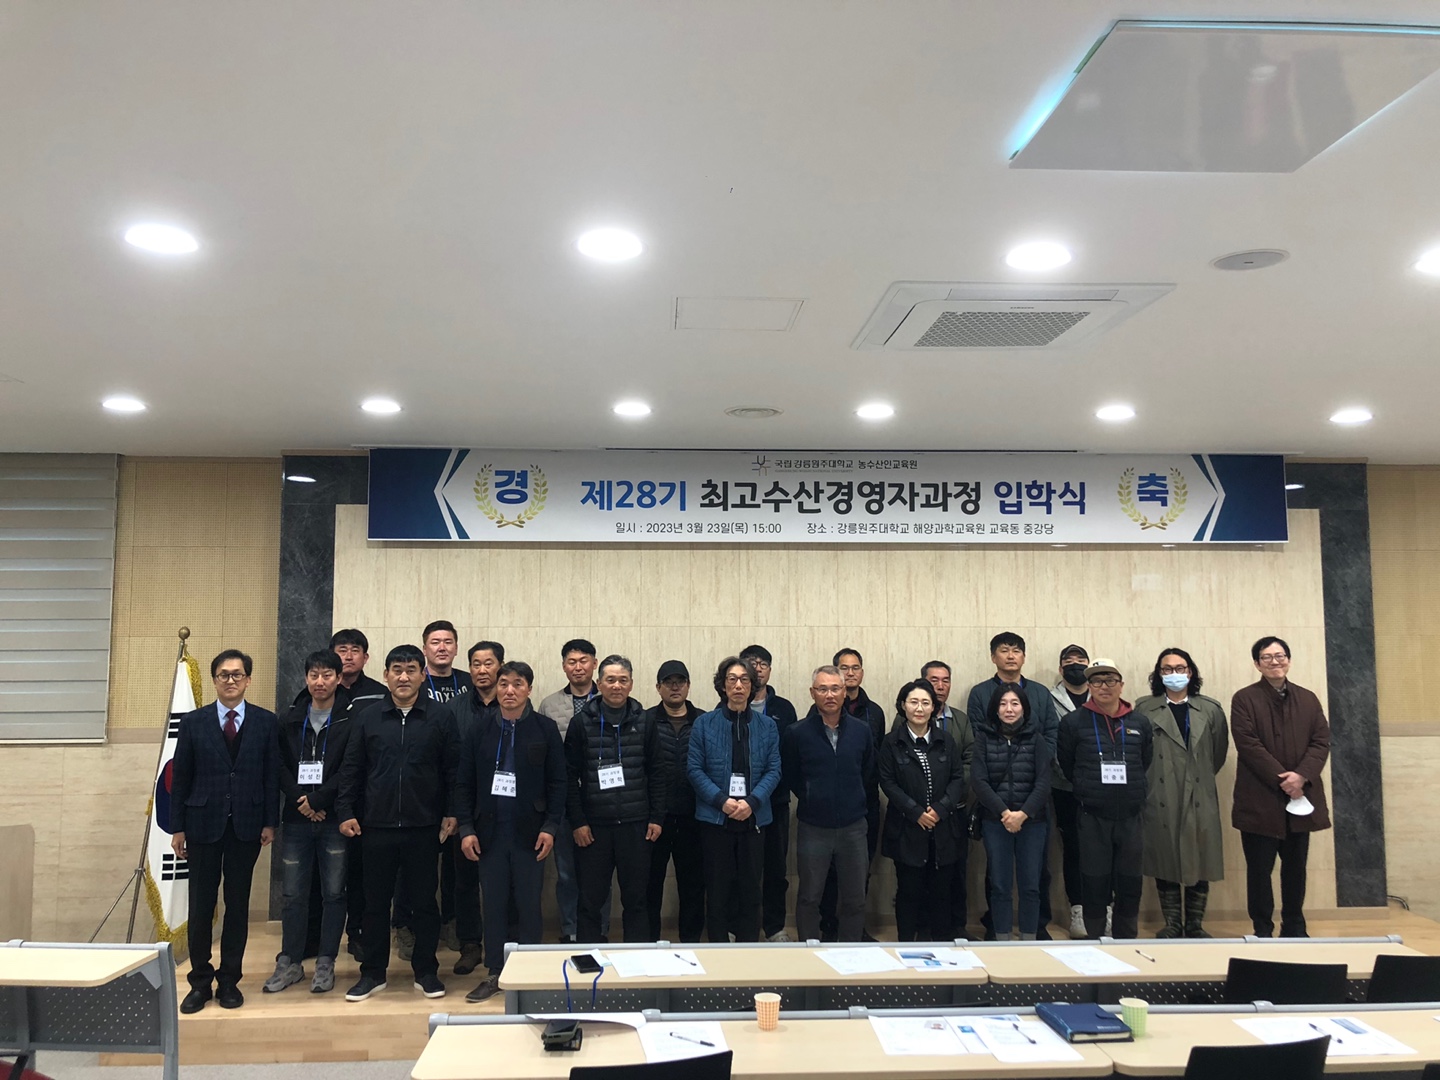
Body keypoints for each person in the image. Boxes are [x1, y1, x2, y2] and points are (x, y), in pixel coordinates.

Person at [336, 644, 459, 1002]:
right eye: (397, 670)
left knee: (425, 903)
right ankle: (373, 973)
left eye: (411, 670)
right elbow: (352, 769)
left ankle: (426, 971)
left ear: (423, 675)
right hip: (376, 826)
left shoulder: (441, 717)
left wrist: (452, 812)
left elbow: (453, 771)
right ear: (386, 675)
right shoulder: (368, 717)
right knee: (375, 904)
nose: (403, 677)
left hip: (425, 826)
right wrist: (345, 811)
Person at [171, 649, 279, 1013]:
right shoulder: (194, 722)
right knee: (201, 906)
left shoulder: (266, 722)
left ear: (248, 680)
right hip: (201, 825)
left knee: (237, 906)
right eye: (223, 675)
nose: (230, 680)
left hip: (246, 826)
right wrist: (177, 828)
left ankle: (230, 980)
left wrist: (270, 821)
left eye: (237, 674)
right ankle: (200, 982)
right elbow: (180, 778)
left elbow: (271, 776)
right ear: (215, 680)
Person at [454, 661, 566, 1002]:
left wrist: (550, 827)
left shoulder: (545, 729)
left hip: (531, 833)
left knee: (529, 904)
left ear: (529, 689)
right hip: (488, 834)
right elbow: (464, 783)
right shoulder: (479, 729)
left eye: (517, 684)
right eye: (503, 684)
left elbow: (558, 782)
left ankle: (529, 973)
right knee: (494, 904)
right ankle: (496, 971)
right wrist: (466, 828)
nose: (509, 690)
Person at [1230, 636, 1331, 938]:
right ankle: (1262, 928)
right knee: (1259, 870)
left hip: (1301, 797)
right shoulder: (1244, 699)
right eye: (1267, 657)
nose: (1275, 661)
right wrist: (1284, 779)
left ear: (1288, 659)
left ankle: (1295, 926)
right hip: (1259, 798)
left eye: (1280, 655)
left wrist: (1301, 776)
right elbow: (1248, 745)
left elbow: (1321, 741)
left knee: (1296, 869)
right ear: (1257, 663)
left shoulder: (1308, 698)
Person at [267, 650, 353, 995]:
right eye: (314, 675)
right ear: (306, 678)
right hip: (297, 819)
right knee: (292, 894)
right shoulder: (290, 717)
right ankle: (290, 961)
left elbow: (351, 767)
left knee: (334, 893)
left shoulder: (351, 718)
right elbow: (278, 765)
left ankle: (326, 961)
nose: (320, 682)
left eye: (327, 675)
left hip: (334, 819)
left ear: (338, 678)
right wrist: (301, 800)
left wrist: (319, 800)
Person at [564, 655, 666, 943]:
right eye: (610, 680)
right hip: (593, 828)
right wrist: (578, 822)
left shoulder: (645, 721)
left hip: (636, 826)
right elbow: (568, 777)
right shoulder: (580, 723)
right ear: (599, 684)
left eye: (623, 680)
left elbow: (658, 773)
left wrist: (657, 817)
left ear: (631, 684)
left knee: (637, 900)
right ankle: (589, 957)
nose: (617, 686)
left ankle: (637, 960)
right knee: (589, 901)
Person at [966, 632, 1059, 939]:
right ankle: (1000, 934)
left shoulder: (1039, 706)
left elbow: (1046, 768)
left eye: (1016, 650)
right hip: (996, 815)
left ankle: (1033, 934)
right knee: (999, 881)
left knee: (1034, 881)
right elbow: (978, 776)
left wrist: (1024, 812)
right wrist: (1005, 812)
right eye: (1003, 651)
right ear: (993, 656)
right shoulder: (980, 701)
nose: (1010, 656)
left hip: (1033, 814)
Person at [1135, 647, 1229, 938]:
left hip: (1199, 794)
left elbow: (1218, 753)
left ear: (1190, 672)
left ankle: (1195, 925)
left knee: (1201, 856)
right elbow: (1140, 754)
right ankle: (1172, 923)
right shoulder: (1144, 708)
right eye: (1167, 669)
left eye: (1180, 668)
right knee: (1165, 858)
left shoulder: (1210, 709)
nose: (1174, 674)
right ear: (1158, 674)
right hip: (1161, 795)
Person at [1057, 660, 1153, 940]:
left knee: (1129, 882)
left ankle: (1126, 938)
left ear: (1121, 685)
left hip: (1131, 815)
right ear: (1089, 686)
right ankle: (1095, 939)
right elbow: (1067, 763)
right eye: (1097, 681)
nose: (1104, 686)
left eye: (1110, 680)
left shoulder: (1139, 722)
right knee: (1094, 881)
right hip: (1092, 815)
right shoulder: (1073, 722)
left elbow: (1145, 760)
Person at [688, 657, 782, 943]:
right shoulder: (704, 723)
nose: (738, 685)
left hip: (754, 819)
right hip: (716, 819)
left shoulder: (767, 726)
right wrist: (722, 801)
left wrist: (752, 802)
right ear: (723, 685)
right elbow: (694, 769)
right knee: (717, 891)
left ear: (752, 686)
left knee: (751, 890)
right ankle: (718, 947)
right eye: (732, 679)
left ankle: (748, 948)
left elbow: (774, 769)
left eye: (744, 679)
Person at [782, 665, 877, 943]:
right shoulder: (796, 733)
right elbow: (791, 775)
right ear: (812, 693)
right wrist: (812, 795)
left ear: (845, 692)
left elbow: (868, 773)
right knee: (809, 896)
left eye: (835, 688)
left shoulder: (861, 731)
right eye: (822, 689)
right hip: (814, 826)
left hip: (853, 826)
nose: (830, 694)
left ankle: (849, 952)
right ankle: (809, 951)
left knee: (855, 898)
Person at [879, 679, 967, 941]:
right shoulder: (891, 742)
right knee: (908, 892)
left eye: (925, 703)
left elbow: (957, 778)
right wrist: (915, 812)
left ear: (934, 708)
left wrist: (940, 809)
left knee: (942, 893)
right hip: (906, 828)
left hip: (944, 829)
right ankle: (906, 945)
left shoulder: (946, 740)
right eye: (914, 702)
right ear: (903, 706)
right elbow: (888, 782)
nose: (919, 708)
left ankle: (940, 947)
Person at [538, 638, 605, 943]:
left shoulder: (610, 697)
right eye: (572, 662)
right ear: (564, 666)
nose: (578, 667)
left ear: (594, 664)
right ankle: (570, 931)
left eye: (584, 661)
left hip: (602, 800)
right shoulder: (549, 705)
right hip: (563, 800)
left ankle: (599, 931)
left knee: (599, 873)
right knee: (566, 873)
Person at [739, 644, 799, 942]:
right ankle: (739, 926)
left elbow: (791, 756)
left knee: (776, 868)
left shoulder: (784, 709)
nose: (757, 667)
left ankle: (774, 927)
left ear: (770, 670)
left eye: (763, 663)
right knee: (741, 869)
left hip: (775, 801)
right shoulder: (729, 705)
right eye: (751, 662)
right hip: (739, 805)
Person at [330, 628, 383, 959]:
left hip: (366, 800)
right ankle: (318, 938)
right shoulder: (318, 691)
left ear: (366, 657)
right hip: (323, 800)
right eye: (341, 650)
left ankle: (359, 933)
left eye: (354, 650)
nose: (348, 656)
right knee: (328, 877)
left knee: (363, 873)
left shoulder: (379, 694)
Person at [644, 660, 706, 942]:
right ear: (658, 688)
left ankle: (691, 942)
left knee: (693, 884)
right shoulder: (645, 721)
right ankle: (650, 942)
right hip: (655, 817)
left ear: (688, 686)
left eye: (680, 681)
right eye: (668, 682)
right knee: (650, 884)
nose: (675, 687)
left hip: (695, 816)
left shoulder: (704, 721)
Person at [826, 647, 883, 939]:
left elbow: (876, 760)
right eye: (844, 668)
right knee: (828, 872)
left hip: (864, 804)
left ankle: (855, 929)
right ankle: (828, 927)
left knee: (861, 869)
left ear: (862, 672)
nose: (850, 673)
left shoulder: (875, 712)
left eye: (855, 667)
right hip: (828, 807)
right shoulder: (819, 709)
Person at [922, 660, 974, 938]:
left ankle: (957, 928)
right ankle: (924, 929)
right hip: (921, 813)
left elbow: (970, 760)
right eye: (934, 680)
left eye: (945, 680)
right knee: (922, 873)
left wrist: (945, 794)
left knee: (956, 873)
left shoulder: (961, 720)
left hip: (954, 810)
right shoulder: (906, 717)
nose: (940, 686)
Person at [1048, 644, 1090, 938]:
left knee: (1103, 849)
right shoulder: (1049, 700)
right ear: (1060, 668)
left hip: (1102, 788)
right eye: (1069, 661)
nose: (1075, 665)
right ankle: (1078, 910)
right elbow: (1050, 742)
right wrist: (1070, 775)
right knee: (1073, 848)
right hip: (1063, 787)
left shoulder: (1102, 693)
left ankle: (1103, 909)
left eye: (1080, 660)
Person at [421, 620, 473, 704]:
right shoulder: (416, 682)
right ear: (424, 650)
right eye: (435, 643)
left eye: (448, 642)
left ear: (456, 648)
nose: (442, 648)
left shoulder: (470, 680)